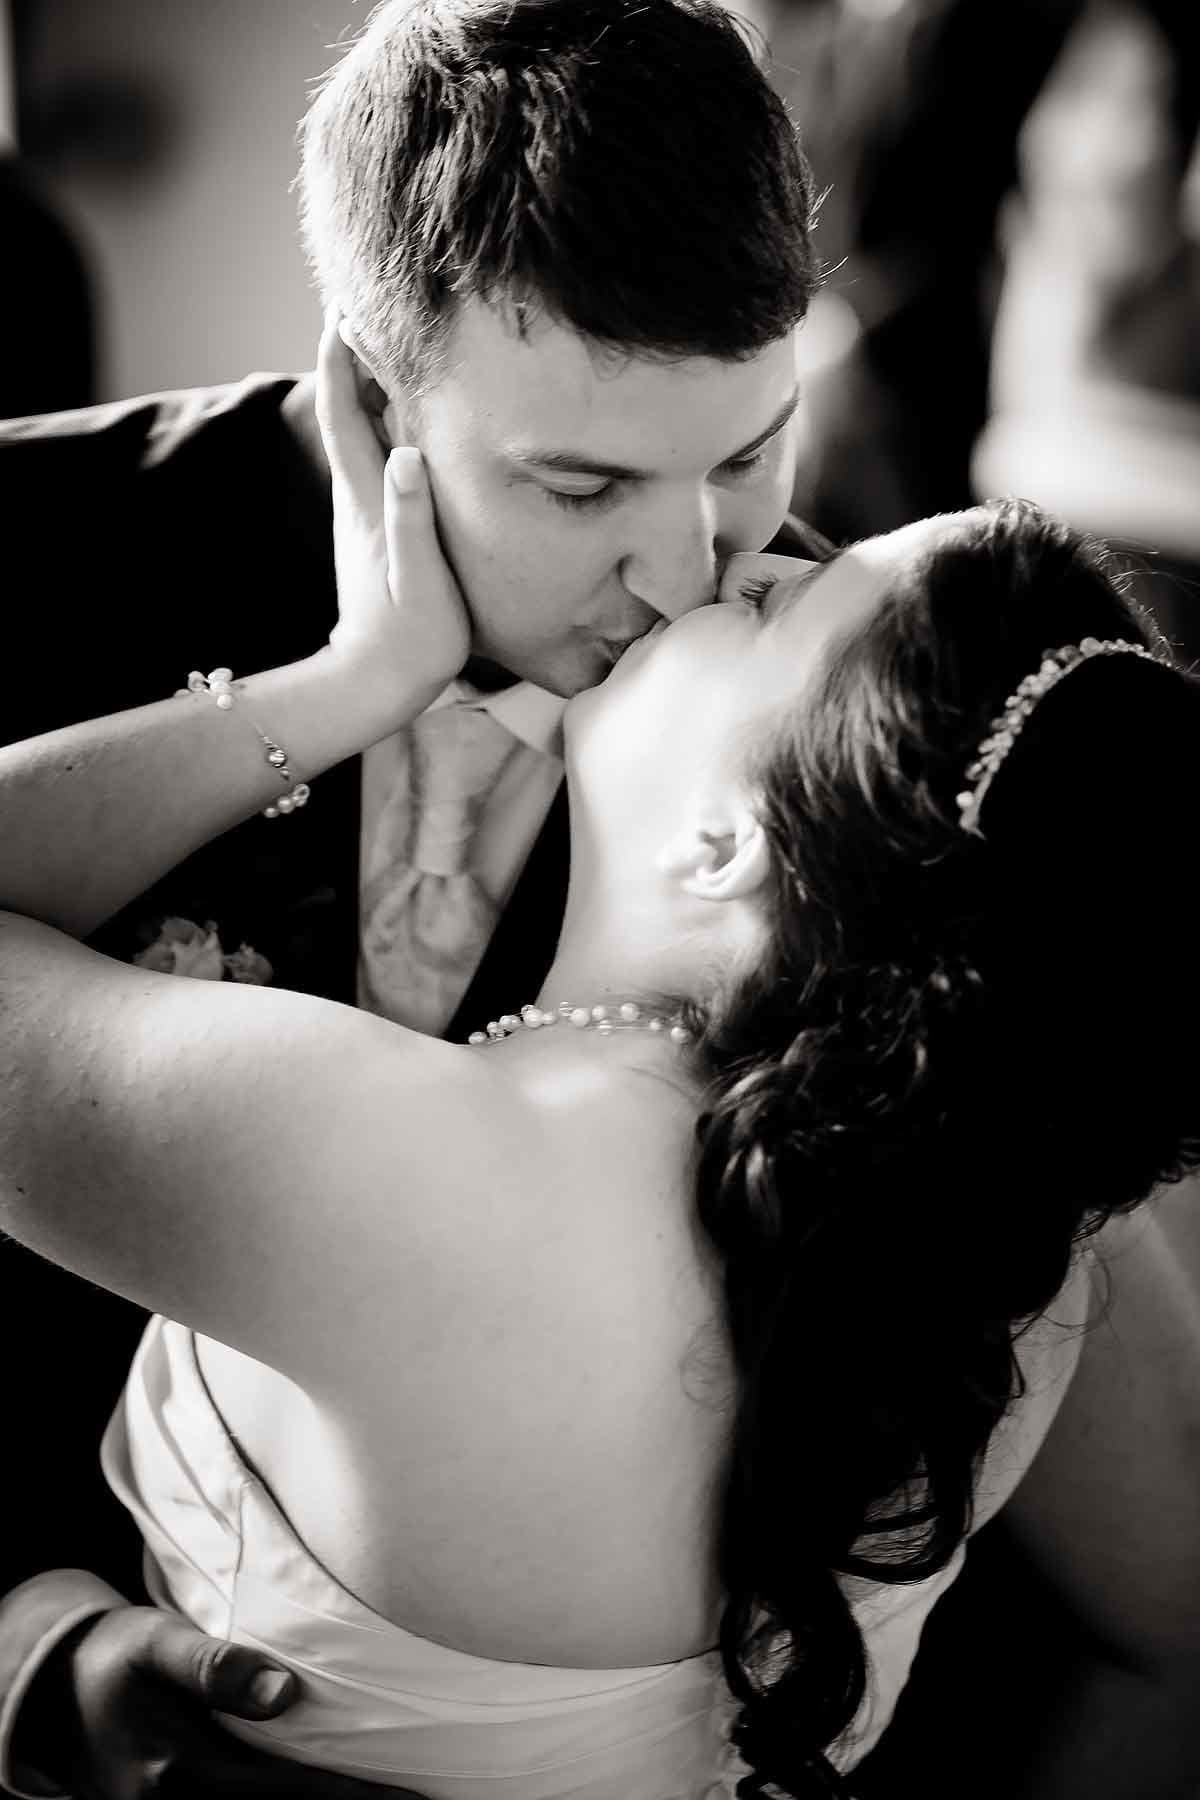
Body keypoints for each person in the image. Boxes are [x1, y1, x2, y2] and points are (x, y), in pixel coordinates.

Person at [3, 283, 1200, 1797]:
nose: (719, 566)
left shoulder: (405, 1170)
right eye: (582, 482)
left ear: (732, 841)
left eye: (774, 603)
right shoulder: (1004, 1271)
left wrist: (344, 685)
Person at [0, 1, 825, 1790]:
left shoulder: (836, 707)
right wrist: (17, 1639)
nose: (693, 577)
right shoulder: (32, 548)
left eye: (750, 453)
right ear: (370, 397)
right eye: (584, 484)